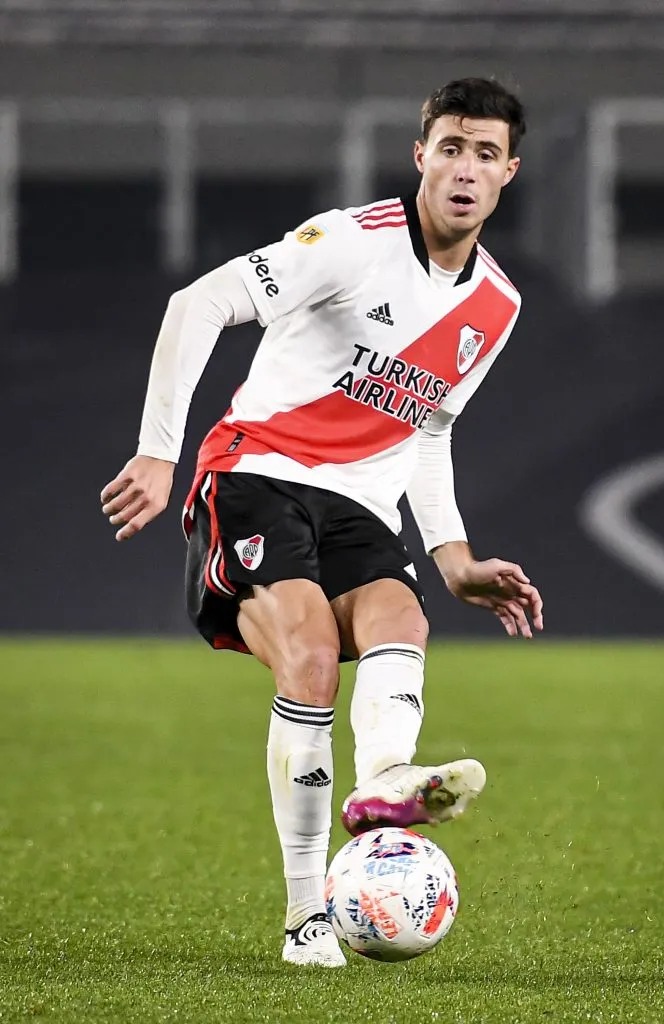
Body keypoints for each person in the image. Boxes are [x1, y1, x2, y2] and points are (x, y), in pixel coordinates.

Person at [100, 76, 543, 967]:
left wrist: (452, 558)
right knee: (307, 653)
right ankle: (310, 917)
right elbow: (198, 305)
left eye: (484, 154)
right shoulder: (350, 241)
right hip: (256, 472)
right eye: (450, 147)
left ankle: (382, 786)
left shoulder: (496, 307)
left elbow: (429, 430)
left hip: (360, 503)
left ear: (509, 174)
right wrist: (159, 450)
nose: (465, 168)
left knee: (403, 616)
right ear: (420, 156)